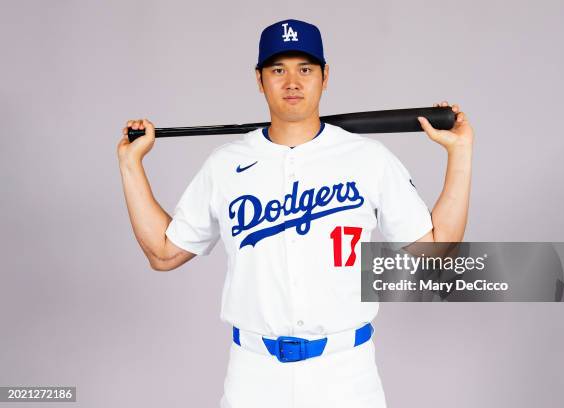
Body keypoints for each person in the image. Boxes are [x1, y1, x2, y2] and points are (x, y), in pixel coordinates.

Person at [116, 18, 473, 408]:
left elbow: (435, 254)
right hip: (254, 374)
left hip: (346, 374)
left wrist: (460, 153)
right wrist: (131, 164)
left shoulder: (369, 159)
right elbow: (163, 253)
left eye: (305, 69)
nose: (292, 82)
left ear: (324, 76)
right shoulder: (225, 165)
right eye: (278, 70)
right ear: (259, 79)